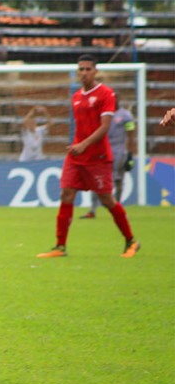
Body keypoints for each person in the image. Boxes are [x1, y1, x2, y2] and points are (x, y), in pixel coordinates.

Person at [36, 55, 139, 259]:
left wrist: (84, 145)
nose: (83, 73)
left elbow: (105, 127)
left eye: (87, 69)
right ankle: (60, 246)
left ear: (95, 71)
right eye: (80, 69)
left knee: (107, 200)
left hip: (98, 156)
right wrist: (78, 146)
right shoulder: (76, 96)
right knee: (66, 195)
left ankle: (131, 241)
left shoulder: (106, 94)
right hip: (76, 156)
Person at [81, 100, 135, 218]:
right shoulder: (103, 115)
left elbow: (131, 134)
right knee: (96, 181)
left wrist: (130, 154)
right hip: (102, 152)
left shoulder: (126, 116)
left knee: (118, 180)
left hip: (119, 153)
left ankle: (118, 209)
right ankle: (92, 210)